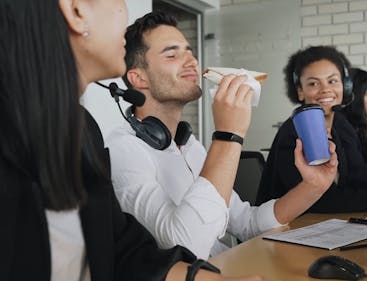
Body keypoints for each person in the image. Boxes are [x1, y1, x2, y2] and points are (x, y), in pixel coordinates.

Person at [0, 0, 268, 280]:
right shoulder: (114, 147)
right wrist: (228, 136)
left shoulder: (81, 129)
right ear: (76, 10)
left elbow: (126, 251)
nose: (125, 10)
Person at [106, 11, 338, 260]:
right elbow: (183, 248)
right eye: (172, 54)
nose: (192, 61)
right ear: (138, 78)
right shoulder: (123, 150)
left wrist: (314, 186)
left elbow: (247, 224)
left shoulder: (190, 146)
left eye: (190, 52)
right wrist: (229, 135)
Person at [257, 46, 367, 213]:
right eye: (313, 83)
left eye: (332, 81)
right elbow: (319, 201)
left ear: (345, 86)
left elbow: (348, 183)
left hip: (318, 225)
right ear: (300, 91)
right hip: (285, 230)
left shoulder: (337, 125)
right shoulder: (296, 132)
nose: (325, 89)